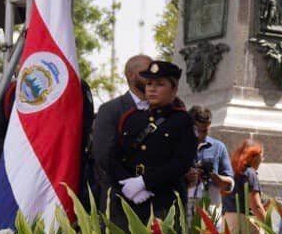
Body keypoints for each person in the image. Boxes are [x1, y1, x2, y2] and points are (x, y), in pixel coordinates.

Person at [111, 60, 195, 221]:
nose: (152, 89)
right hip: (131, 198)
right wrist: (128, 185)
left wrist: (144, 182)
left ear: (174, 89)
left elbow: (182, 163)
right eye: (149, 83)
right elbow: (114, 158)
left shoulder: (182, 120)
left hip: (164, 202)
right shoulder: (131, 119)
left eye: (160, 84)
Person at [90, 54, 152, 214]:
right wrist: (136, 185)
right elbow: (103, 156)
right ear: (131, 75)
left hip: (159, 203)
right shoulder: (111, 110)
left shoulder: (165, 108)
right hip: (121, 204)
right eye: (147, 72)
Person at [186, 106, 234, 218]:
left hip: (211, 207)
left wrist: (215, 177)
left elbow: (230, 184)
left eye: (205, 130)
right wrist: (187, 177)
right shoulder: (179, 146)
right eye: (197, 130)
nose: (201, 135)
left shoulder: (218, 147)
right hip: (184, 205)